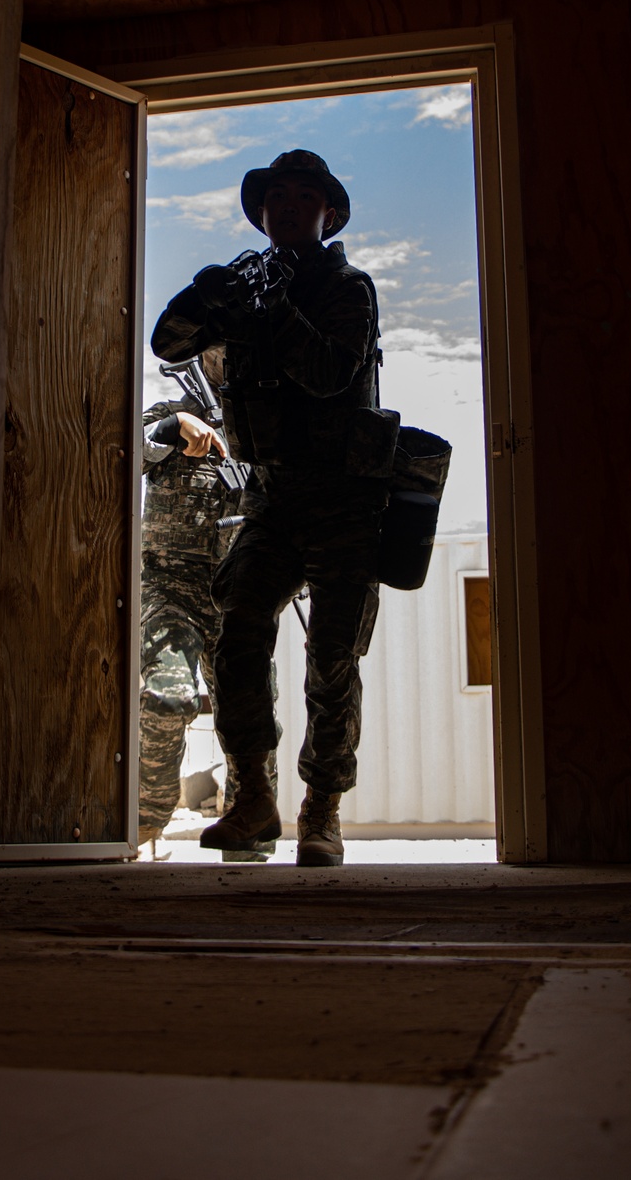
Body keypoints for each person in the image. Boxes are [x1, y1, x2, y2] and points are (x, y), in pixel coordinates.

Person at [152, 149, 393, 867]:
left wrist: (270, 307)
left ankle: (322, 810)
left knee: (332, 659)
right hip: (275, 501)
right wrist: (207, 293)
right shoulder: (244, 290)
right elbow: (169, 341)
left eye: (303, 196)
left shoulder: (347, 287)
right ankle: (253, 799)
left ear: (329, 212)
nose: (286, 206)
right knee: (240, 631)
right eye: (275, 197)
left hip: (345, 499)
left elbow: (326, 373)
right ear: (260, 213)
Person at [139, 350, 279, 862]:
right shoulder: (164, 414)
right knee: (166, 696)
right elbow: (122, 448)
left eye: (235, 348)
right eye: (217, 352)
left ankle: (250, 831)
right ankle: (145, 815)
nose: (228, 360)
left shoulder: (265, 426)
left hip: (236, 589)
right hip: (169, 585)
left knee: (250, 714)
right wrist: (175, 424)